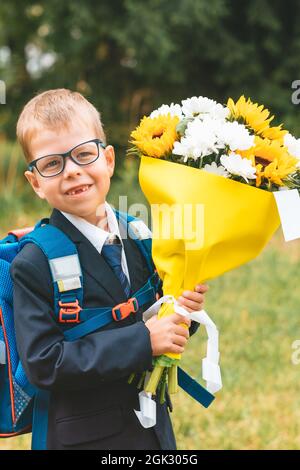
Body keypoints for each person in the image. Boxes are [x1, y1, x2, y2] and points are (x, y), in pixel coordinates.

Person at [11, 88, 208, 450]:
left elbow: (165, 321)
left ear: (109, 160)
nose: (72, 171)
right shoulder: (33, 264)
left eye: (84, 154)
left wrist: (183, 309)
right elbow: (45, 364)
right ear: (36, 182)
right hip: (86, 440)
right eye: (52, 163)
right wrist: (144, 341)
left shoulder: (143, 237)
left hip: (154, 433)